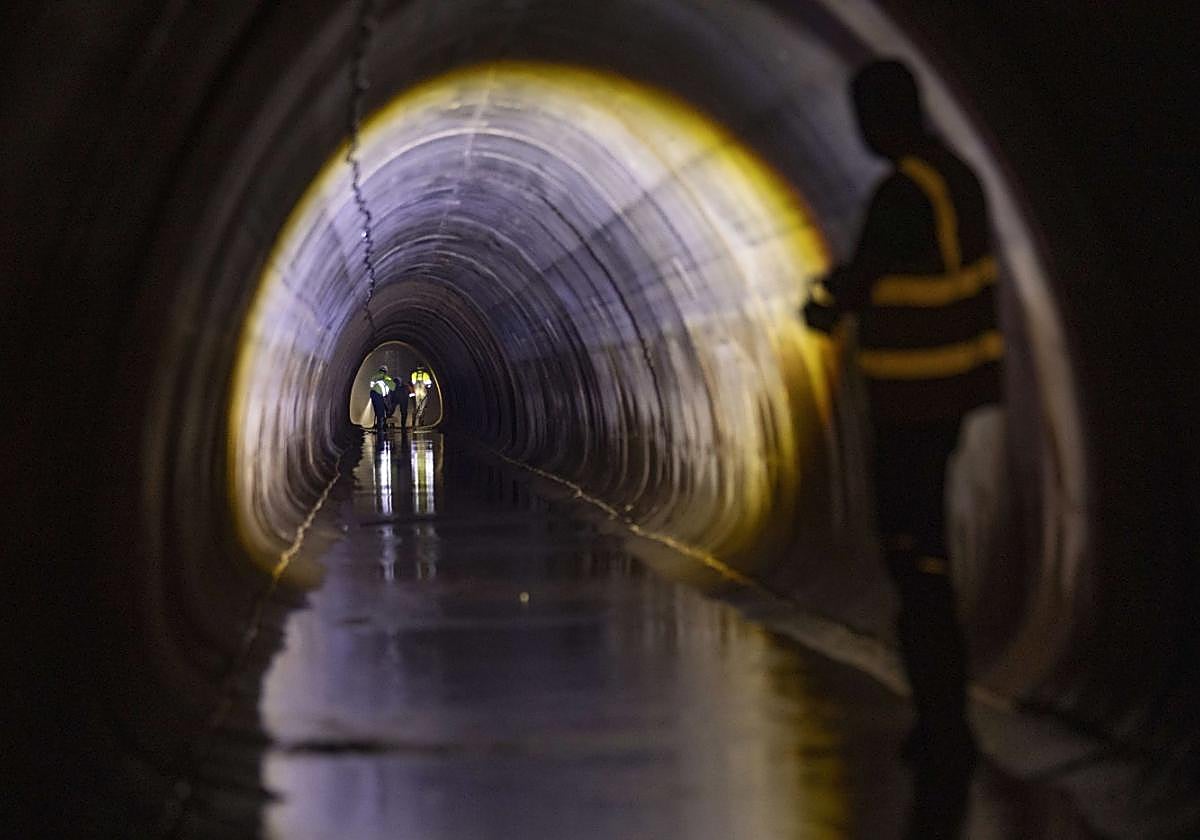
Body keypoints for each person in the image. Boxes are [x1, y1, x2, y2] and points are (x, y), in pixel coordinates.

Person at [803, 59, 1002, 837]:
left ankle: (944, 727)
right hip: (952, 394)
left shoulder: (903, 191)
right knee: (927, 557)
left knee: (914, 558)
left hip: (914, 395)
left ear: (884, 116)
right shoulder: (958, 178)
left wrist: (827, 305)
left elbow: (864, 281)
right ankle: (941, 719)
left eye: (865, 117)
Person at [367, 365, 396, 435]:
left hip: (373, 395)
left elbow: (371, 386)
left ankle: (379, 426)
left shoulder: (374, 377)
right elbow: (393, 387)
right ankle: (381, 430)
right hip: (379, 396)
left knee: (377, 411)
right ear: (386, 371)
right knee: (381, 413)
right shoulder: (386, 378)